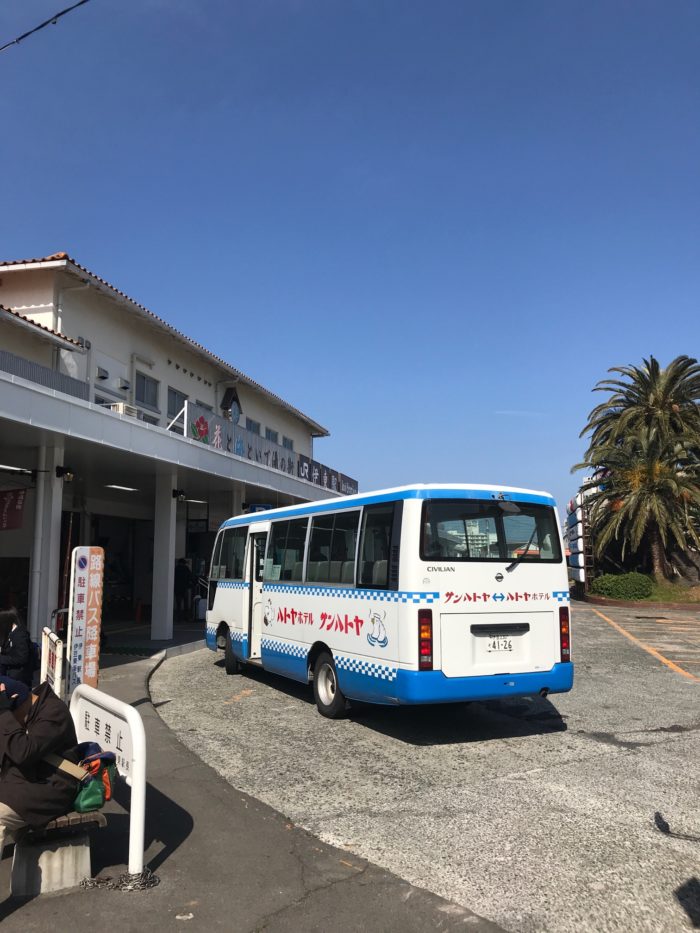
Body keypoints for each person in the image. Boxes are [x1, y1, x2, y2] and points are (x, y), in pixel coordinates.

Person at [0, 676, 82, 854]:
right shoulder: (22, 713)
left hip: (51, 786)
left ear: (14, 701)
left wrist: (4, 714)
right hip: (23, 779)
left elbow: (23, 752)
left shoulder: (54, 713)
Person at [0, 608, 34, 688]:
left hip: (18, 676)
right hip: (10, 672)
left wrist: (1, 658)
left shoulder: (20, 636)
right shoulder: (11, 632)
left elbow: (21, 658)